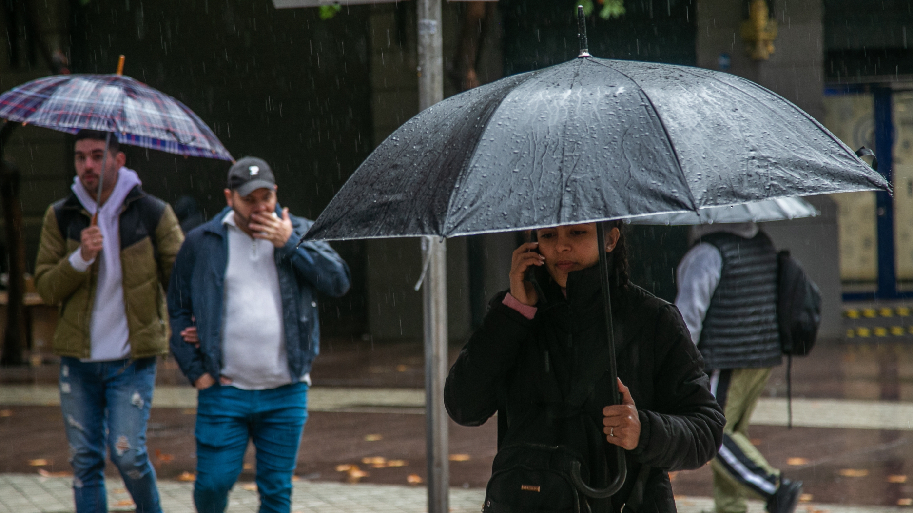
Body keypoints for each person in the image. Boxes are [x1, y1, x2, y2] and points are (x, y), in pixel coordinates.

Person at [445, 222, 725, 512]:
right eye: (548, 235)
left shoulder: (653, 321)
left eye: (577, 233)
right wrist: (513, 312)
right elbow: (464, 407)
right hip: (529, 500)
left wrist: (644, 431)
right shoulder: (515, 315)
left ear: (611, 239)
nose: (561, 246)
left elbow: (707, 429)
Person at [167, 156, 351, 513]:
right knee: (212, 485)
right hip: (223, 389)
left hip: (286, 390)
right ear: (229, 197)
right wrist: (197, 373)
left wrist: (291, 243)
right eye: (248, 199)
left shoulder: (299, 230)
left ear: (276, 193)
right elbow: (176, 307)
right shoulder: (201, 242)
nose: (259, 207)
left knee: (276, 492)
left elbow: (338, 281)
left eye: (265, 197)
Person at [34, 130, 184, 513]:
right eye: (80, 156)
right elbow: (47, 288)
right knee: (85, 461)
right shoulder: (61, 215)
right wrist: (80, 258)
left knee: (128, 455)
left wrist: (192, 325)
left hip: (131, 362)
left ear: (119, 160)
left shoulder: (152, 212)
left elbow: (182, 279)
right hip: (78, 363)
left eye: (97, 155)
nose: (87, 165)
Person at [675, 222, 803, 513]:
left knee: (714, 434)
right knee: (734, 433)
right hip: (762, 354)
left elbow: (688, 315)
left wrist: (680, 358)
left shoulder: (708, 252)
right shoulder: (762, 242)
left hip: (726, 357)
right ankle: (730, 507)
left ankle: (774, 488)